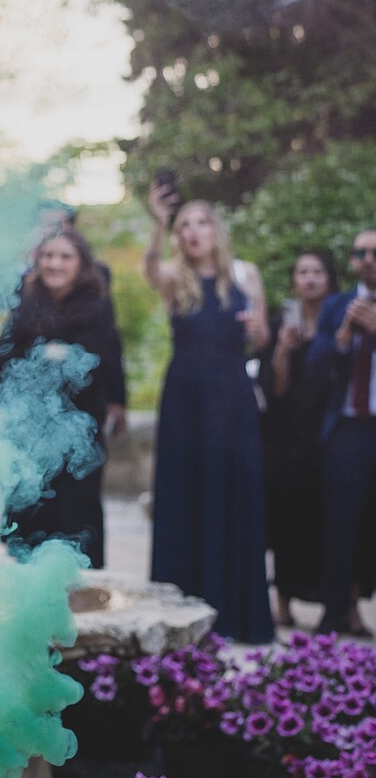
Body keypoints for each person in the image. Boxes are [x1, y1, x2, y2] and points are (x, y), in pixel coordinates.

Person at [142, 189, 273, 643]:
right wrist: (159, 223)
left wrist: (260, 333)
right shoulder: (176, 278)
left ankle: (236, 614)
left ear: (216, 230)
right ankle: (182, 614)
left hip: (233, 402)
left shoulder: (245, 274)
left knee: (233, 496)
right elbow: (148, 270)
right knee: (184, 497)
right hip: (184, 403)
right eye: (185, 226)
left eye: (200, 223)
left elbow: (261, 342)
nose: (193, 232)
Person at [0, 229, 127, 567]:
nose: (55, 263)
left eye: (65, 256)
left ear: (80, 263)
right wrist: (44, 357)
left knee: (76, 513)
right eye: (49, 255)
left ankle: (81, 594)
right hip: (29, 432)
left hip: (79, 430)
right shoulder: (26, 301)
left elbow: (103, 361)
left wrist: (62, 360)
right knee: (31, 512)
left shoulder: (96, 304)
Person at [310, 229, 376, 636]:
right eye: (360, 253)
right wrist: (342, 338)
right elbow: (314, 366)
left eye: (375, 252)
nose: (368, 259)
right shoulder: (337, 306)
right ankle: (334, 613)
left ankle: (358, 603)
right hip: (348, 429)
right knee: (340, 523)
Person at [266, 249, 337, 627]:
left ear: (329, 278)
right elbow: (276, 389)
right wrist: (282, 348)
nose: (309, 279)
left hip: (329, 436)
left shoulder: (342, 321)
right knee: (286, 522)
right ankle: (283, 603)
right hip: (289, 441)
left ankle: (343, 605)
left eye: (317, 272)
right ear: (294, 280)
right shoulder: (283, 323)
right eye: (302, 272)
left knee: (333, 523)